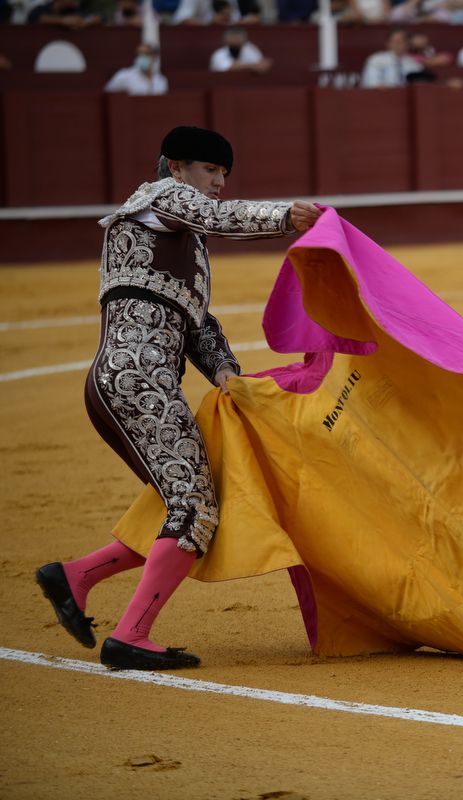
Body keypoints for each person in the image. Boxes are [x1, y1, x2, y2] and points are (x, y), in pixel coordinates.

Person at [35, 126, 323, 672]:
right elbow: (219, 216)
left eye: (223, 176)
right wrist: (287, 215)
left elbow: (198, 325)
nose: (217, 184)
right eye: (211, 172)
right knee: (193, 509)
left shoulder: (181, 241)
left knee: (185, 502)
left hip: (136, 382)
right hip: (138, 380)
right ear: (175, 167)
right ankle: (130, 636)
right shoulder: (159, 198)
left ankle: (76, 577)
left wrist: (225, 372)